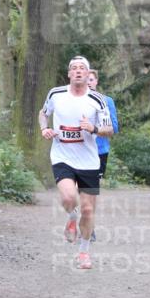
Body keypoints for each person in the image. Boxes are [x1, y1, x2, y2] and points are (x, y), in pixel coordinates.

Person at [39, 56, 113, 269]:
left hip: (89, 161)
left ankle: (83, 253)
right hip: (62, 156)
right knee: (69, 196)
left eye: (82, 68)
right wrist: (45, 128)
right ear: (69, 74)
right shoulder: (56, 94)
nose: (78, 71)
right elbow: (43, 114)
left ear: (88, 74)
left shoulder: (98, 100)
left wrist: (94, 128)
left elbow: (109, 130)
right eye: (74, 68)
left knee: (88, 210)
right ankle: (72, 217)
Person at [86, 69, 118, 242]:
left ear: (96, 81)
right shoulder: (74, 101)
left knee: (91, 191)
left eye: (91, 79)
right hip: (78, 150)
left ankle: (89, 227)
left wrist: (97, 127)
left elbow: (114, 128)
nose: (89, 82)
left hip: (99, 151)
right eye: (86, 79)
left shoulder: (107, 101)